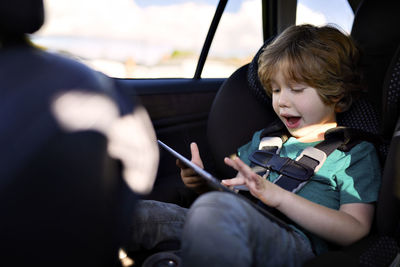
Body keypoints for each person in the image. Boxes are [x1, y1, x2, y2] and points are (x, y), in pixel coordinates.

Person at [127, 24, 381, 267]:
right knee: (138, 213)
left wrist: (280, 198)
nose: (281, 101)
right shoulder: (265, 139)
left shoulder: (354, 154)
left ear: (335, 93)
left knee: (215, 213)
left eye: (296, 89)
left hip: (293, 243)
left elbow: (355, 230)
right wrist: (203, 184)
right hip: (234, 222)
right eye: (275, 90)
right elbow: (235, 199)